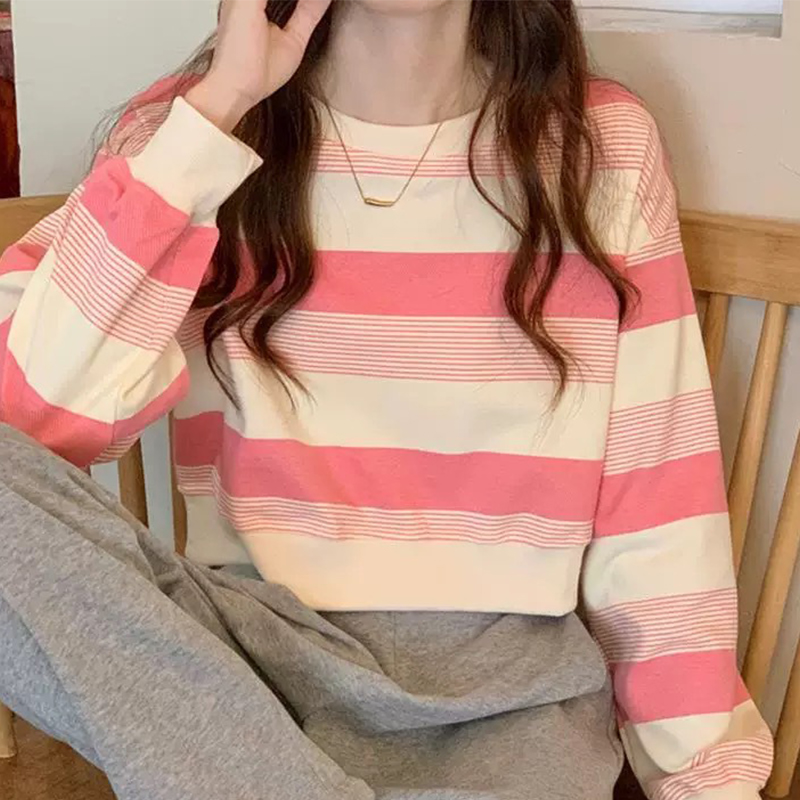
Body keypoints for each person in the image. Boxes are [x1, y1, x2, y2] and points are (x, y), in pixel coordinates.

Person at [0, 1, 774, 798]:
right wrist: (217, 111)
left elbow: (657, 498)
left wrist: (707, 780)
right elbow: (22, 419)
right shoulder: (195, 130)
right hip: (243, 678)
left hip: (503, 703)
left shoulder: (600, 145)